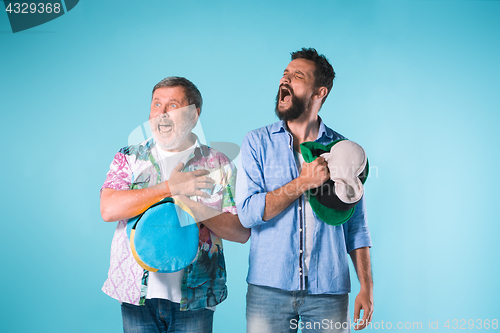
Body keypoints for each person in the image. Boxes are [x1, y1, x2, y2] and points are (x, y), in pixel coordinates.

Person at [236, 48, 373, 333]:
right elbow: (248, 215)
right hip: (268, 290)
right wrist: (302, 183)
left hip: (329, 291)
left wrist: (367, 288)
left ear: (319, 92)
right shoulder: (256, 142)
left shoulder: (344, 149)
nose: (285, 80)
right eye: (285, 74)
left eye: (297, 76)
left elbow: (356, 226)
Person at [100, 76, 250, 333]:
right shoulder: (130, 157)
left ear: (194, 114)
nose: (162, 113)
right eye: (156, 104)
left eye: (172, 105)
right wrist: (170, 188)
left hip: (195, 297)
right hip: (137, 294)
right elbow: (108, 209)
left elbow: (240, 232)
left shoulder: (218, 164)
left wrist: (190, 204)